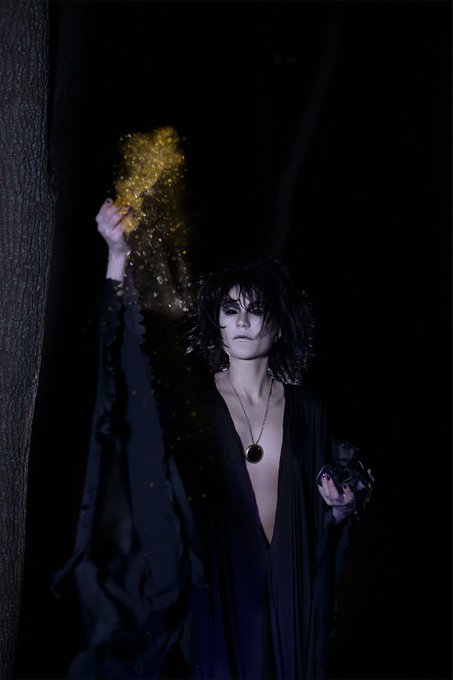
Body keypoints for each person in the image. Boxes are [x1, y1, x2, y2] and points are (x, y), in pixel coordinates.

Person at [56, 197, 364, 680]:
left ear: (279, 325)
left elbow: (323, 522)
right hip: (218, 597)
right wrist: (117, 257)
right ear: (215, 322)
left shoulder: (309, 411)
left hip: (292, 602)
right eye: (230, 309)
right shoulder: (191, 403)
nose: (242, 321)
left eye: (256, 310)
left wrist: (341, 510)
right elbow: (122, 380)